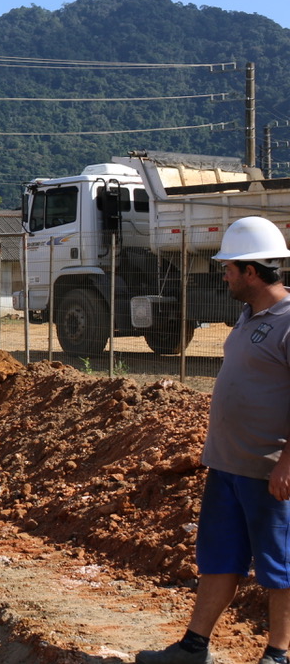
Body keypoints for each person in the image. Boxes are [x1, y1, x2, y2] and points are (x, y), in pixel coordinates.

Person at [137, 216, 290, 664]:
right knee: (219, 559)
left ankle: (277, 655)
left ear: (252, 270)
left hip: (267, 471)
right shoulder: (248, 316)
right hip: (226, 465)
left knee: (278, 568)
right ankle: (193, 647)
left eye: (228, 268)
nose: (222, 274)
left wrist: (286, 465)